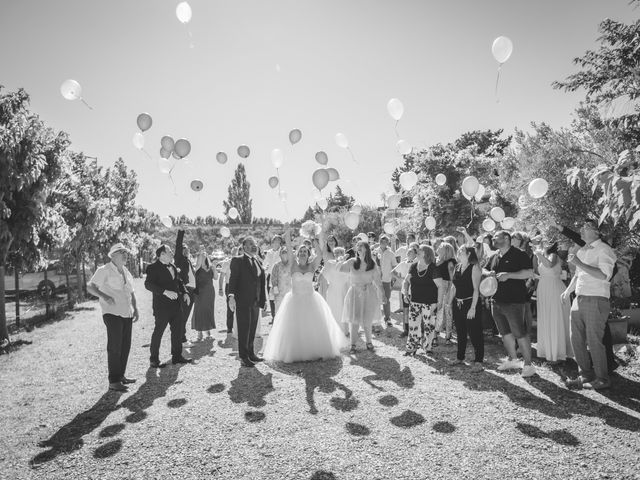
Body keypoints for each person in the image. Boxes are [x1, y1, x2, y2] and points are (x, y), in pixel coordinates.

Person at [263, 228, 348, 363]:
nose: (302, 253)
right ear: (297, 254)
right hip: (295, 300)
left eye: (305, 251)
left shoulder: (312, 265)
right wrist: (288, 234)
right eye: (300, 251)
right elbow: (289, 248)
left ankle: (315, 350)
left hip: (311, 299)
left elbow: (320, 254)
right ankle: (296, 352)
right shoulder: (293, 265)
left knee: (313, 325)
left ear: (308, 254)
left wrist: (313, 238)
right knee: (296, 326)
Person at [563, 220, 617, 390]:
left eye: (585, 228)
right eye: (581, 228)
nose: (581, 230)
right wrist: (567, 291)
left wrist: (579, 264)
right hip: (579, 298)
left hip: (596, 298)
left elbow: (604, 276)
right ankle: (585, 375)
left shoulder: (604, 250)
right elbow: (578, 275)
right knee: (576, 338)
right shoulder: (583, 250)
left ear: (596, 231)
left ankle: (602, 379)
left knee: (594, 340)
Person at [87, 243, 139, 392]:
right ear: (113, 255)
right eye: (121, 252)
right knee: (115, 346)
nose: (125, 255)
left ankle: (121, 375)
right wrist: (104, 296)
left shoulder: (126, 271)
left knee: (125, 346)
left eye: (126, 252)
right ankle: (114, 381)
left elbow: (132, 291)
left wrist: (136, 308)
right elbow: (90, 287)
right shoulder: (104, 270)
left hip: (126, 312)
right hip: (111, 313)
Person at [484, 231, 536, 377]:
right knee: (504, 332)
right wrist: (488, 274)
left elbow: (529, 273)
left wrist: (509, 275)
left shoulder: (519, 254)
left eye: (496, 237)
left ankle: (528, 365)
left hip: (514, 301)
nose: (493, 239)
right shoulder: (494, 256)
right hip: (496, 300)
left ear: (506, 239)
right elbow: (484, 268)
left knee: (520, 332)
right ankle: (513, 359)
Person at [145, 244, 192, 367]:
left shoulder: (173, 266)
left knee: (177, 331)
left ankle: (177, 356)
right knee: (158, 332)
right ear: (162, 254)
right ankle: (154, 359)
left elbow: (179, 281)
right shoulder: (152, 268)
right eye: (169, 252)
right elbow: (148, 284)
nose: (172, 254)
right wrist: (165, 292)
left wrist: (185, 292)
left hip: (176, 306)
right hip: (161, 307)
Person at [228, 236, 267, 367]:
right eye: (251, 244)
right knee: (244, 329)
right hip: (243, 300)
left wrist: (263, 299)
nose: (254, 245)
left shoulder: (257, 261)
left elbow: (261, 282)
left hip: (255, 301)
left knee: (252, 329)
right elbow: (233, 279)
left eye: (255, 243)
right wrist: (231, 296)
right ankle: (243, 356)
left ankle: (251, 353)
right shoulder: (237, 260)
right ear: (244, 247)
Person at [340, 241, 385, 353]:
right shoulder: (352, 262)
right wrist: (343, 258)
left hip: (369, 293)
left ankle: (369, 342)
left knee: (367, 319)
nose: (358, 247)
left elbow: (378, 282)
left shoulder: (372, 264)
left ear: (366, 249)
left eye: (361, 246)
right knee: (354, 319)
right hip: (354, 293)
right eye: (357, 246)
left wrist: (383, 294)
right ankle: (353, 345)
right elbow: (341, 269)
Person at [534, 240, 572, 363]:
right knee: (546, 318)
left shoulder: (554, 255)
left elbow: (550, 265)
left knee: (554, 318)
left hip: (553, 289)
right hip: (544, 287)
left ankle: (557, 353)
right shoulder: (543, 255)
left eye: (545, 241)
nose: (542, 242)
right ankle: (548, 351)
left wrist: (538, 255)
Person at [402, 244, 438, 356]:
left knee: (429, 326)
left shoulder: (433, 267)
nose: (417, 251)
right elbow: (406, 281)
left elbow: (440, 285)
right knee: (413, 326)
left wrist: (438, 302)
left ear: (426, 253)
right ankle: (411, 348)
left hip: (429, 302)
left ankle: (428, 347)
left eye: (420, 250)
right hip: (415, 301)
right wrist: (405, 293)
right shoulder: (413, 266)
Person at [452, 245, 484, 372]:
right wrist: (449, 303)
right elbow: (454, 287)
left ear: (469, 254)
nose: (459, 252)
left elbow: (476, 289)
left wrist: (473, 308)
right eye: (458, 251)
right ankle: (460, 358)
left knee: (475, 333)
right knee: (460, 332)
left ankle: (479, 361)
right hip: (457, 304)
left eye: (462, 251)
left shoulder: (474, 267)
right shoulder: (457, 267)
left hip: (470, 303)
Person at [175, 230, 196, 347]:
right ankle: (182, 340)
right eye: (184, 249)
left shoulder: (188, 260)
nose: (186, 250)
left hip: (191, 291)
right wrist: (181, 232)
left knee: (185, 316)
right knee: (182, 317)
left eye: (187, 249)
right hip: (185, 291)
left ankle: (182, 338)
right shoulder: (179, 259)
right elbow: (178, 245)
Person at [191, 250, 218, 341]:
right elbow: (197, 265)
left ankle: (208, 332)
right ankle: (199, 333)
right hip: (200, 293)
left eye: (205, 255)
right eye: (202, 255)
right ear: (199, 257)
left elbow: (215, 278)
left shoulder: (210, 267)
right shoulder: (197, 268)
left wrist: (214, 269)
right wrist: (200, 254)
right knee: (199, 310)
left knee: (209, 310)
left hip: (210, 292)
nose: (203, 256)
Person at [392, 244, 417, 338]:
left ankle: (415, 330)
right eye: (408, 251)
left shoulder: (417, 263)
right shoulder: (403, 263)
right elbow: (392, 272)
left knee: (415, 310)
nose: (408, 252)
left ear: (415, 254)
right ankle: (405, 330)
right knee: (406, 310)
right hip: (405, 290)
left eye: (411, 251)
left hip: (415, 290)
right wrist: (400, 279)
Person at [324, 246, 350, 336]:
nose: (338, 255)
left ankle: (344, 330)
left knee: (343, 309)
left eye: (340, 253)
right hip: (332, 289)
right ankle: (333, 329)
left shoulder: (347, 264)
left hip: (343, 289)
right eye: (336, 253)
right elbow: (325, 273)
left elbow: (349, 276)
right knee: (333, 308)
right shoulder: (330, 263)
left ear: (343, 254)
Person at [434, 241, 457, 345]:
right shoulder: (435, 260)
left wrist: (450, 293)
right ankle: (435, 333)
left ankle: (448, 335)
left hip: (446, 287)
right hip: (436, 287)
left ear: (446, 250)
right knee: (437, 311)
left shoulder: (450, 262)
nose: (438, 248)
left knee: (447, 311)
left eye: (441, 247)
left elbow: (453, 279)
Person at [218, 246, 241, 335]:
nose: (236, 253)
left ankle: (239, 327)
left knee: (240, 306)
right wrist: (220, 288)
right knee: (230, 307)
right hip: (229, 286)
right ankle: (229, 328)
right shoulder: (226, 263)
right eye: (235, 252)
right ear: (232, 253)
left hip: (239, 286)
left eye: (238, 252)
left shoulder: (241, 262)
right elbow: (222, 276)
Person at [376, 235, 398, 327]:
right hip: (375, 280)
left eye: (385, 241)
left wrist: (394, 277)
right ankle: (376, 320)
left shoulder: (391, 253)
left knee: (386, 299)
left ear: (387, 243)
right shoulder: (375, 251)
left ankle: (387, 318)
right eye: (381, 240)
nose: (383, 242)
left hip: (386, 280)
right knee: (375, 300)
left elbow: (394, 266)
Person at [263, 236, 283, 319]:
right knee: (271, 297)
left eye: (278, 241)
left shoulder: (283, 251)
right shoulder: (269, 252)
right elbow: (265, 263)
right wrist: (264, 268)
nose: (276, 243)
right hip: (270, 276)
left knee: (280, 296)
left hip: (280, 277)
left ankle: (281, 316)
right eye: (274, 241)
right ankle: (274, 316)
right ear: (272, 242)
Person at [270, 245, 293, 314]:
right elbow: (273, 278)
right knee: (280, 310)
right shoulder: (276, 265)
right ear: (280, 254)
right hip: (279, 292)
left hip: (290, 291)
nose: (285, 254)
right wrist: (275, 289)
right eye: (283, 252)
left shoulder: (292, 265)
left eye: (286, 252)